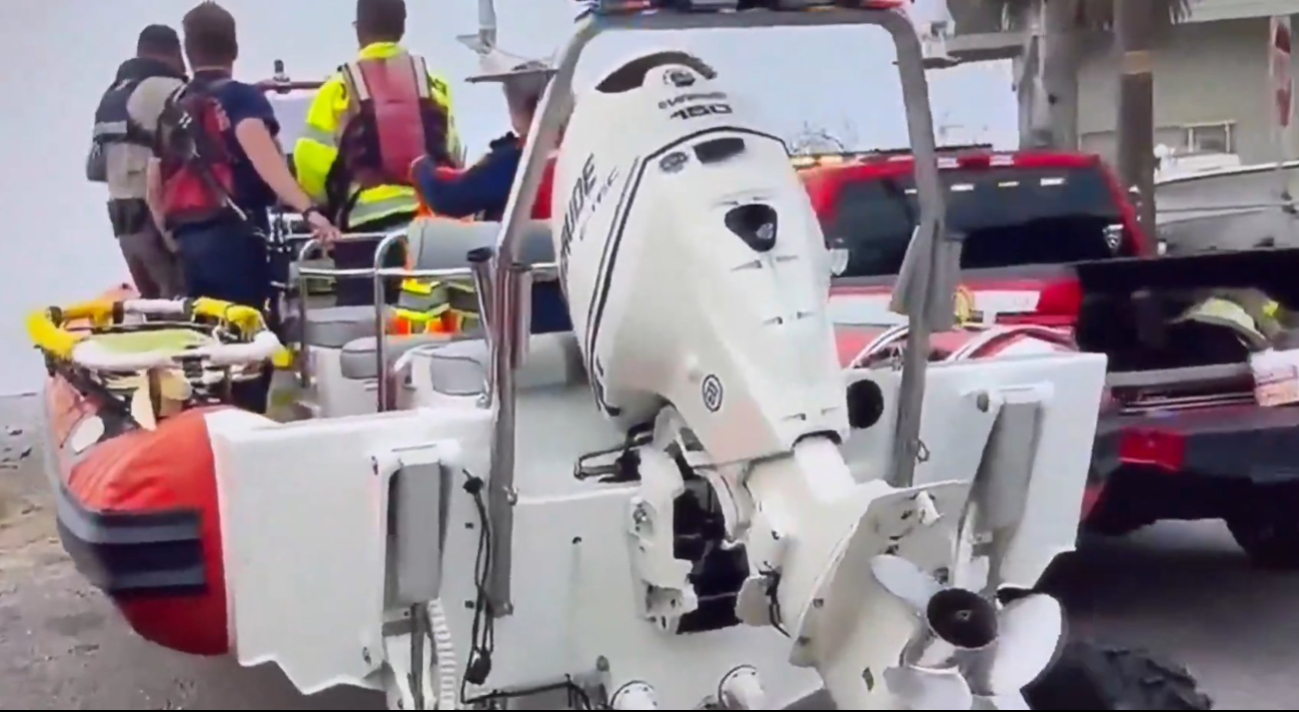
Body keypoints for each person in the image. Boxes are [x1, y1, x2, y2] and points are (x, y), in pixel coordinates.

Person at [147, 1, 338, 410]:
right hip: (234, 241)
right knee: (250, 340)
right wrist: (309, 210)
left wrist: (172, 238)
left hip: (187, 243)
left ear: (188, 51)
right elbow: (265, 160)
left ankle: (209, 418)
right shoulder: (241, 99)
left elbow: (153, 188)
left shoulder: (172, 108)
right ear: (233, 48)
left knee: (205, 344)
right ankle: (250, 417)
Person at [293, 0, 462, 306]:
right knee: (424, 320)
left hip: (363, 234)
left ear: (358, 29)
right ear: (403, 26)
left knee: (363, 331)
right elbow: (451, 152)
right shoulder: (435, 84)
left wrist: (325, 211)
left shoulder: (337, 89)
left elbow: (310, 164)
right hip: (425, 228)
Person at [410, 62, 571, 334]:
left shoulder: (516, 162)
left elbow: (449, 197)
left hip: (531, 309)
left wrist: (420, 166)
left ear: (518, 109)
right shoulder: (575, 152)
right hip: (575, 302)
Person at [86, 25, 189, 300]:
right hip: (157, 221)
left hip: (124, 221)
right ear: (176, 53)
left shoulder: (114, 93)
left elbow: (95, 168)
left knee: (154, 301)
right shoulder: (169, 90)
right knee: (179, 301)